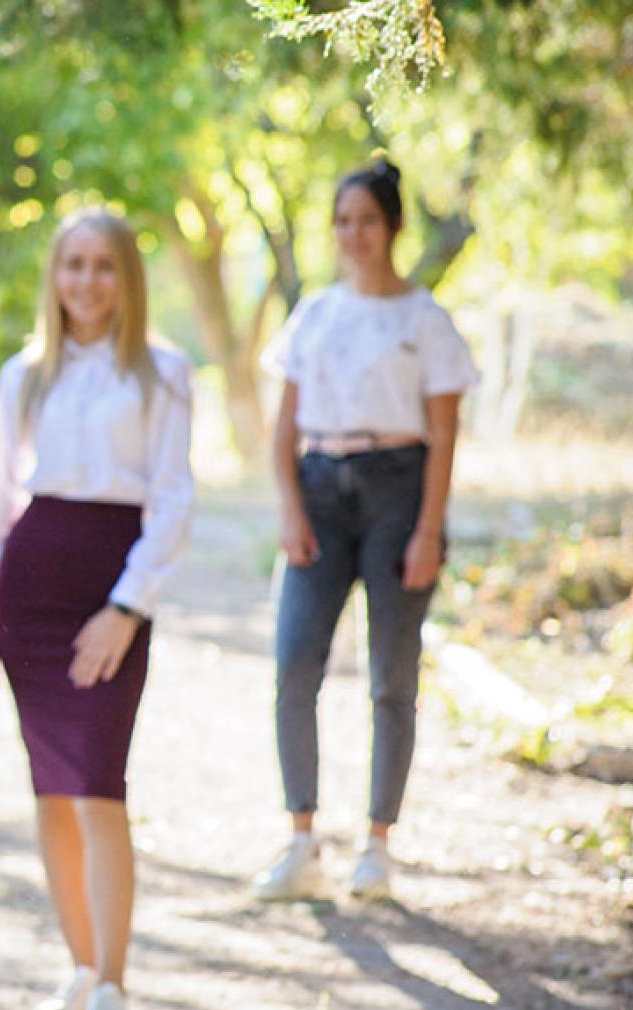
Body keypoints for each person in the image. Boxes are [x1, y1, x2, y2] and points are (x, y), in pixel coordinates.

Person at [0, 208, 194, 1010]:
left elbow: (172, 500)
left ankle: (115, 986)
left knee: (100, 785)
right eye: (73, 265)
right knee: (53, 789)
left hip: (110, 585)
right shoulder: (25, 375)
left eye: (103, 266)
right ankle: (80, 966)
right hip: (31, 589)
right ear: (54, 277)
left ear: (126, 277)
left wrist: (127, 608)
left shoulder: (163, 374)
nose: (87, 281)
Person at [251, 158, 478, 902]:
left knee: (391, 677)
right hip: (320, 491)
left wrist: (428, 530)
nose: (355, 235)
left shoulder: (425, 322)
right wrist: (289, 508)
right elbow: (283, 428)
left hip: (397, 494)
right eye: (343, 221)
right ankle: (302, 839)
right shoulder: (314, 314)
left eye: (368, 221)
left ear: (394, 227)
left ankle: (378, 845)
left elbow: (444, 439)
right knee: (295, 666)